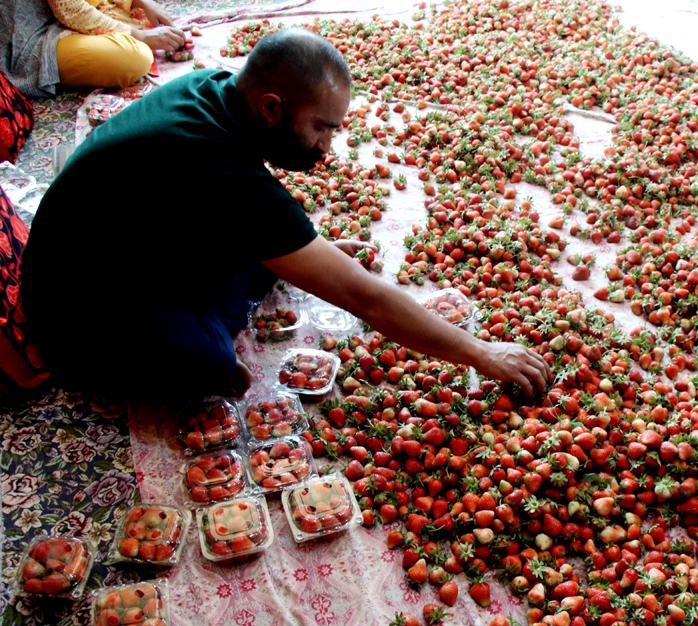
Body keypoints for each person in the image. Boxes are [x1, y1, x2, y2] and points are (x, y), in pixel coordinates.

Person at [19, 28, 550, 400]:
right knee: (211, 363)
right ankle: (169, 347)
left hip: (120, 245)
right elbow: (364, 297)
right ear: (271, 106)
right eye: (321, 128)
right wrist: (481, 352)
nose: (326, 147)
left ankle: (243, 282)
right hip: (74, 305)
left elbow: (236, 214)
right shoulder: (218, 166)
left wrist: (301, 252)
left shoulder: (211, 88)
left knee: (270, 254)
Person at [1, 0, 184, 97]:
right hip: (37, 35)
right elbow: (72, 11)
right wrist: (141, 36)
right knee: (135, 58)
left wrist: (140, 2)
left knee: (142, 20)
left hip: (77, 12)